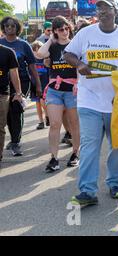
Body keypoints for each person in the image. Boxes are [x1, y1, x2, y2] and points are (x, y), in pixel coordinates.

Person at [64, 0, 118, 207]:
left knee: (117, 145)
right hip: (88, 100)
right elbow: (68, 53)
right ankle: (87, 191)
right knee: (90, 146)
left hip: (116, 103)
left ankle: (115, 183)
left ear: (115, 11)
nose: (101, 12)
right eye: (98, 9)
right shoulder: (86, 33)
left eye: (106, 8)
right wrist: (80, 63)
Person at [37, 16, 80, 172]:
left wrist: (79, 85)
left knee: (74, 124)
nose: (65, 31)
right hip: (55, 90)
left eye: (67, 28)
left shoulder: (74, 44)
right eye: (61, 29)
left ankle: (75, 153)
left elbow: (80, 66)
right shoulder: (53, 46)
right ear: (55, 31)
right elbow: (40, 54)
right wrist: (50, 39)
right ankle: (54, 158)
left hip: (72, 90)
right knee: (55, 124)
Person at [0, 16, 42, 156]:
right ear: (3, 28)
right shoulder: (0, 44)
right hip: (4, 83)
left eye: (12, 26)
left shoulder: (24, 45)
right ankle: (13, 139)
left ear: (17, 28)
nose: (9, 28)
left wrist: (38, 85)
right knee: (8, 114)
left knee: (16, 110)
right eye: (7, 26)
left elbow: (32, 66)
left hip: (22, 82)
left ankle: (16, 142)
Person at [0, 44, 22, 164]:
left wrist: (18, 92)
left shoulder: (8, 52)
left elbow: (14, 73)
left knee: (0, 126)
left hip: (2, 94)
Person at [30, 41, 49, 130]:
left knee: (43, 101)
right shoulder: (31, 60)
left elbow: (49, 71)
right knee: (37, 103)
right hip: (35, 84)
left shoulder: (45, 59)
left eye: (38, 49)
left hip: (44, 83)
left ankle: (47, 116)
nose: (37, 53)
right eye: (34, 50)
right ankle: (41, 121)